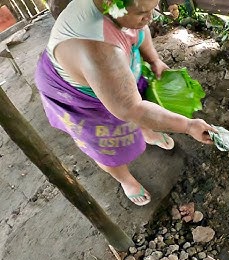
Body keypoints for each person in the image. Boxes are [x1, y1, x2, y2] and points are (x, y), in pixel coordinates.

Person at [35, 0, 217, 206]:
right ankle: (125, 179)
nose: (150, 17)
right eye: (143, 12)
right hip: (82, 98)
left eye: (151, 9)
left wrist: (154, 59)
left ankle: (147, 131)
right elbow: (131, 109)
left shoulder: (123, 12)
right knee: (109, 148)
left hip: (120, 72)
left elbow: (140, 30)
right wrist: (188, 125)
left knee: (138, 99)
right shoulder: (98, 50)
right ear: (109, 3)